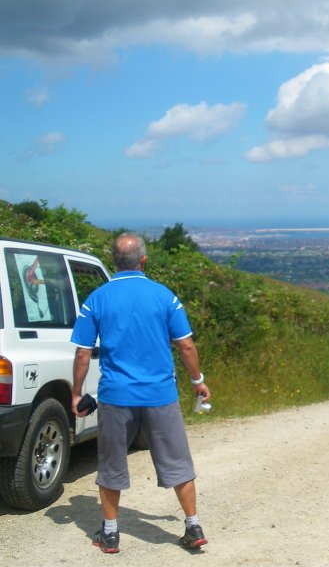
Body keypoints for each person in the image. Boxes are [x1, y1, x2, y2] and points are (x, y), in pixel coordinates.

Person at [70, 233, 211, 554]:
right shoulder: (165, 297)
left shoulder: (97, 298)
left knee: (111, 464)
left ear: (113, 261)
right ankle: (193, 526)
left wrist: (76, 394)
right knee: (178, 462)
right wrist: (197, 381)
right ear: (143, 261)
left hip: (115, 397)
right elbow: (186, 344)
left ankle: (109, 533)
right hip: (160, 395)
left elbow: (82, 354)